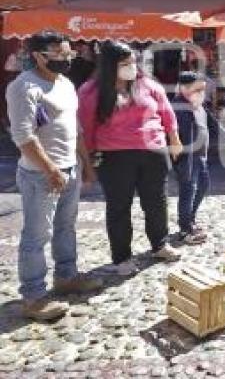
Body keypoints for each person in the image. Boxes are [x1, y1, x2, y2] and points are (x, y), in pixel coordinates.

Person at [6, 30, 102, 321]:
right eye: (59, 54)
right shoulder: (24, 87)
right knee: (37, 235)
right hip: (40, 174)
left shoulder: (65, 84)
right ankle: (34, 297)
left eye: (68, 53)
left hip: (69, 167)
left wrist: (85, 164)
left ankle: (66, 276)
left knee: (66, 227)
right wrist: (50, 170)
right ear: (38, 56)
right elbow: (23, 136)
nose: (65, 59)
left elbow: (75, 129)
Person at [77, 41, 183, 276]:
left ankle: (160, 244)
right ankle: (122, 257)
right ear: (109, 66)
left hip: (154, 152)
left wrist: (174, 139)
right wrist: (88, 163)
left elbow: (166, 112)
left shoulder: (147, 84)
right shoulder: (91, 91)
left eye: (133, 62)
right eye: (125, 63)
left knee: (156, 201)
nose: (131, 67)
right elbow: (86, 127)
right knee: (119, 207)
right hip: (114, 157)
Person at [172, 71, 225, 245]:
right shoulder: (179, 107)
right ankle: (184, 229)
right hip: (187, 158)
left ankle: (191, 220)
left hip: (200, 156)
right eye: (198, 89)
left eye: (202, 89)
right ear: (184, 88)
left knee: (202, 186)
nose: (202, 93)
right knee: (188, 191)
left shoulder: (198, 104)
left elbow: (210, 123)